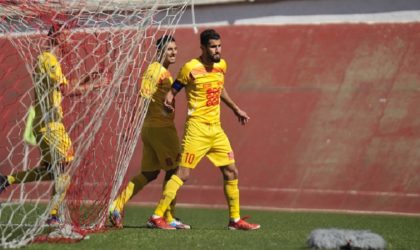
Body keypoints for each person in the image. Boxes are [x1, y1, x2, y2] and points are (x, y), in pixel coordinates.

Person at [147, 29, 260, 230]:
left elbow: (219, 88)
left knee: (231, 171)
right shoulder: (190, 68)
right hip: (196, 129)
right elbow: (174, 89)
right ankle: (156, 216)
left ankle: (234, 220)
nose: (217, 50)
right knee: (183, 174)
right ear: (203, 47)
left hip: (216, 130)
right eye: (213, 47)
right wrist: (169, 99)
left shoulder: (221, 66)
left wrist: (236, 109)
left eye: (219, 46)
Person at [0, 23, 99, 225]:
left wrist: (87, 78)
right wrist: (95, 85)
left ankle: (6, 180)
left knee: (51, 171)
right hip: (51, 124)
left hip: (43, 124)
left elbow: (62, 86)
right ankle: (53, 215)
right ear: (56, 36)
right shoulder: (49, 59)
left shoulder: (47, 60)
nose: (68, 39)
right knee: (65, 165)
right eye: (65, 35)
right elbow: (67, 91)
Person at [108, 35, 190, 229]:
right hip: (160, 129)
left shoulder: (162, 71)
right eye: (169, 49)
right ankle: (167, 217)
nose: (174, 53)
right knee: (175, 170)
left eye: (175, 49)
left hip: (152, 129)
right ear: (160, 51)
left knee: (150, 173)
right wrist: (131, 126)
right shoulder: (155, 71)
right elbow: (143, 98)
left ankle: (116, 206)